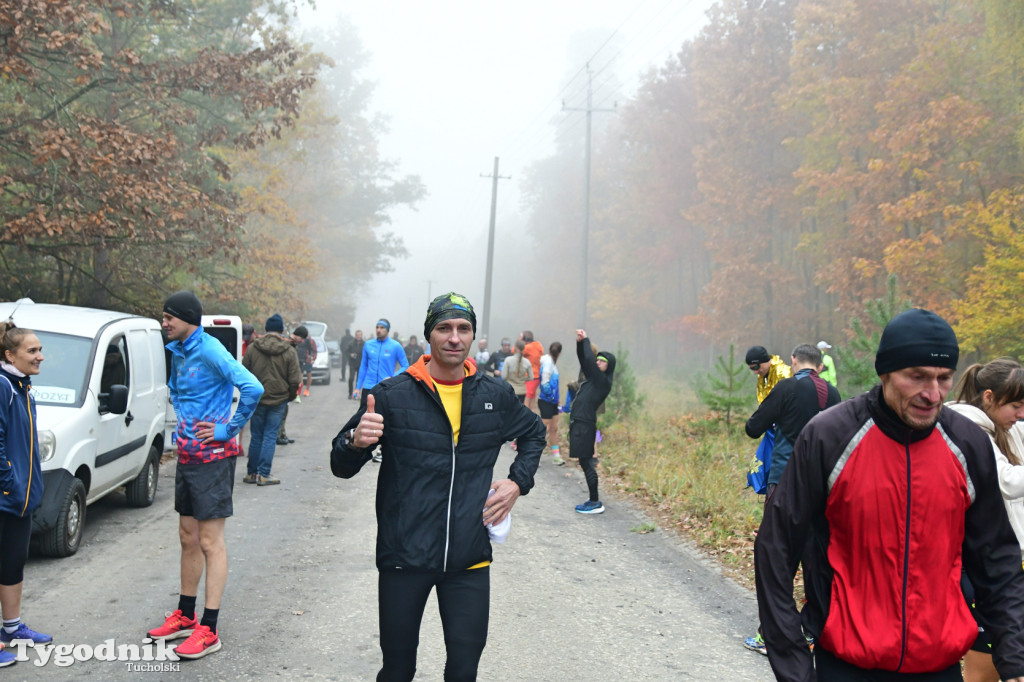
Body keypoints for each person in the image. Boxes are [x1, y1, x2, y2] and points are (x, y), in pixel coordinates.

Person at [755, 309, 1024, 681]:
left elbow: (997, 559)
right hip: (845, 667)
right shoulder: (829, 437)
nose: (932, 394)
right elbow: (775, 551)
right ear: (884, 372)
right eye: (917, 377)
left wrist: (1015, 661)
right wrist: (795, 668)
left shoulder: (968, 444)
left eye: (944, 379)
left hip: (939, 669)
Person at [330, 292, 545, 681]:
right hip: (404, 556)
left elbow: (534, 435)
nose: (454, 337)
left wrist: (517, 483)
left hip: (469, 559)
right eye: (444, 328)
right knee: (397, 670)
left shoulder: (493, 396)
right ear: (428, 336)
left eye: (463, 329)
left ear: (472, 336)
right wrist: (354, 442)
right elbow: (340, 466)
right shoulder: (392, 396)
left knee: (464, 671)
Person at [149, 291, 263, 660]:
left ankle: (209, 629)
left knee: (211, 542)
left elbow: (253, 387)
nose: (164, 322)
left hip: (214, 458)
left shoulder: (210, 349)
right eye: (163, 316)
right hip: (187, 456)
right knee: (188, 537)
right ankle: (185, 614)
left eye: (170, 317)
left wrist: (226, 430)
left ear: (188, 319)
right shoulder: (177, 351)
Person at [743, 343, 840, 657]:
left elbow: (753, 427)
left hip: (785, 481)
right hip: (823, 487)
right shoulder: (834, 395)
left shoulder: (786, 388)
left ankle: (769, 635)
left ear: (794, 361)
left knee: (779, 556)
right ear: (820, 366)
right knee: (816, 559)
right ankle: (812, 632)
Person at [947, 359, 1024, 682]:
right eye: (1017, 406)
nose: (1020, 414)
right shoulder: (967, 430)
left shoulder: (1003, 427)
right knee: (984, 666)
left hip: (1009, 560)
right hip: (983, 564)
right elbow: (1004, 481)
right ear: (990, 397)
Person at [0, 322, 49, 667]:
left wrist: (30, 490)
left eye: (39, 349)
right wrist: (10, 486)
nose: (40, 356)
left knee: (13, 563)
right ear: (9, 355)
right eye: (32, 351)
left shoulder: (22, 386)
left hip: (20, 498)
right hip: (5, 497)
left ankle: (11, 629)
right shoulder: (3, 386)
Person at [241, 314, 302, 486]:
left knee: (256, 436)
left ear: (266, 329)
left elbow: (244, 373)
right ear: (281, 330)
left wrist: (249, 395)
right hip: (279, 400)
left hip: (257, 400)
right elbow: (294, 379)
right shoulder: (289, 350)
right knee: (269, 437)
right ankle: (264, 474)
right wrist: (289, 396)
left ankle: (252, 474)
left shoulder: (253, 348)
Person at [569, 330, 615, 514]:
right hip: (580, 423)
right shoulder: (592, 379)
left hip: (585, 424)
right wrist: (580, 344)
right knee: (584, 461)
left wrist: (586, 340)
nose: (598, 362)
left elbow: (588, 361)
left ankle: (595, 501)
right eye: (598, 359)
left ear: (609, 366)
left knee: (587, 462)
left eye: (602, 361)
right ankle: (593, 499)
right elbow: (585, 360)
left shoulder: (602, 381)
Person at [354, 319, 408, 407]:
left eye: (382, 328)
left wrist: (392, 378)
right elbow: (363, 366)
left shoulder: (395, 346)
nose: (378, 330)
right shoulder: (368, 344)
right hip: (368, 387)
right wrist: (357, 388)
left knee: (383, 419)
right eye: (377, 327)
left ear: (387, 330)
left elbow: (405, 366)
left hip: (385, 388)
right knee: (364, 417)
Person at [538, 342, 564, 466]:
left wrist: (556, 399)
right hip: (546, 401)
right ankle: (533, 455)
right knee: (545, 429)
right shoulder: (548, 362)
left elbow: (554, 385)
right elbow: (544, 383)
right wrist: (551, 396)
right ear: (559, 353)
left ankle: (556, 456)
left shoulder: (552, 363)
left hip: (553, 402)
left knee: (554, 428)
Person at [521, 331, 543, 412]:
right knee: (532, 402)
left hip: (531, 376)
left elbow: (515, 351)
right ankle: (533, 420)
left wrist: (519, 340)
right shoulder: (537, 345)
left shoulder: (528, 347)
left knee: (527, 401)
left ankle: (526, 420)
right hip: (536, 376)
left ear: (525, 339)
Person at [294, 324, 316, 399]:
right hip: (300, 360)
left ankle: (307, 390)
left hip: (307, 360)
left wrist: (311, 358)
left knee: (309, 375)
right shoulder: (296, 340)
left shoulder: (308, 340)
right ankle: (298, 394)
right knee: (300, 377)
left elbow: (312, 350)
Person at [347, 330, 364, 399]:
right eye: (357, 335)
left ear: (361, 336)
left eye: (360, 335)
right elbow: (346, 351)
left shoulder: (365, 344)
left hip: (361, 364)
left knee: (358, 380)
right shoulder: (351, 343)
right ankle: (350, 393)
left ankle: (356, 394)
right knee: (351, 378)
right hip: (352, 364)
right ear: (355, 336)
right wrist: (350, 354)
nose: (358, 336)